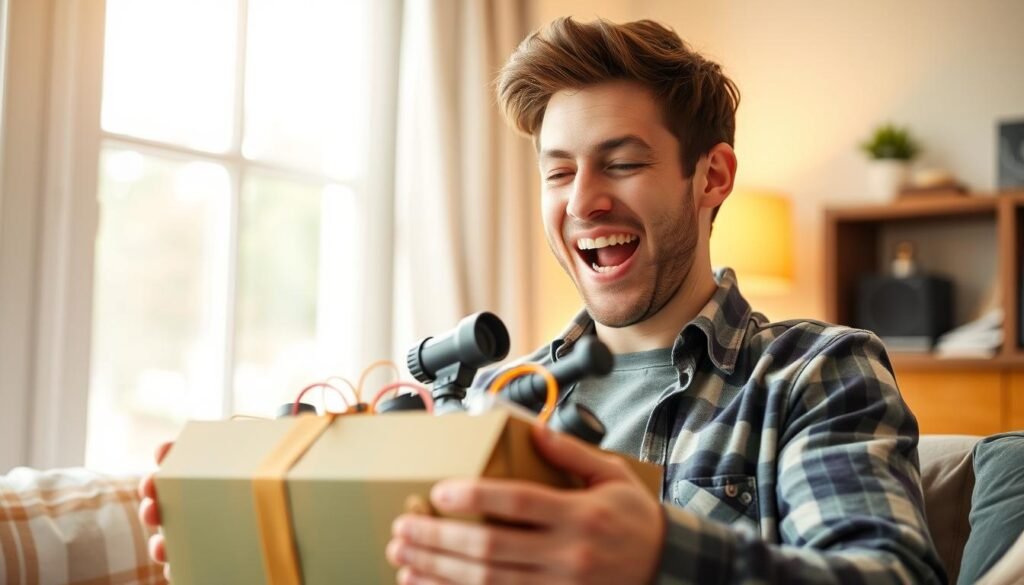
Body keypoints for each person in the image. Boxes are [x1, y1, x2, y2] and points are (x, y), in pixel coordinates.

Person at [139, 17, 946, 584]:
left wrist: (659, 555)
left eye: (621, 163)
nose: (583, 200)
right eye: (558, 171)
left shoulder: (814, 372)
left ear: (712, 177)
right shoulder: (492, 399)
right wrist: (242, 542)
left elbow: (889, 576)